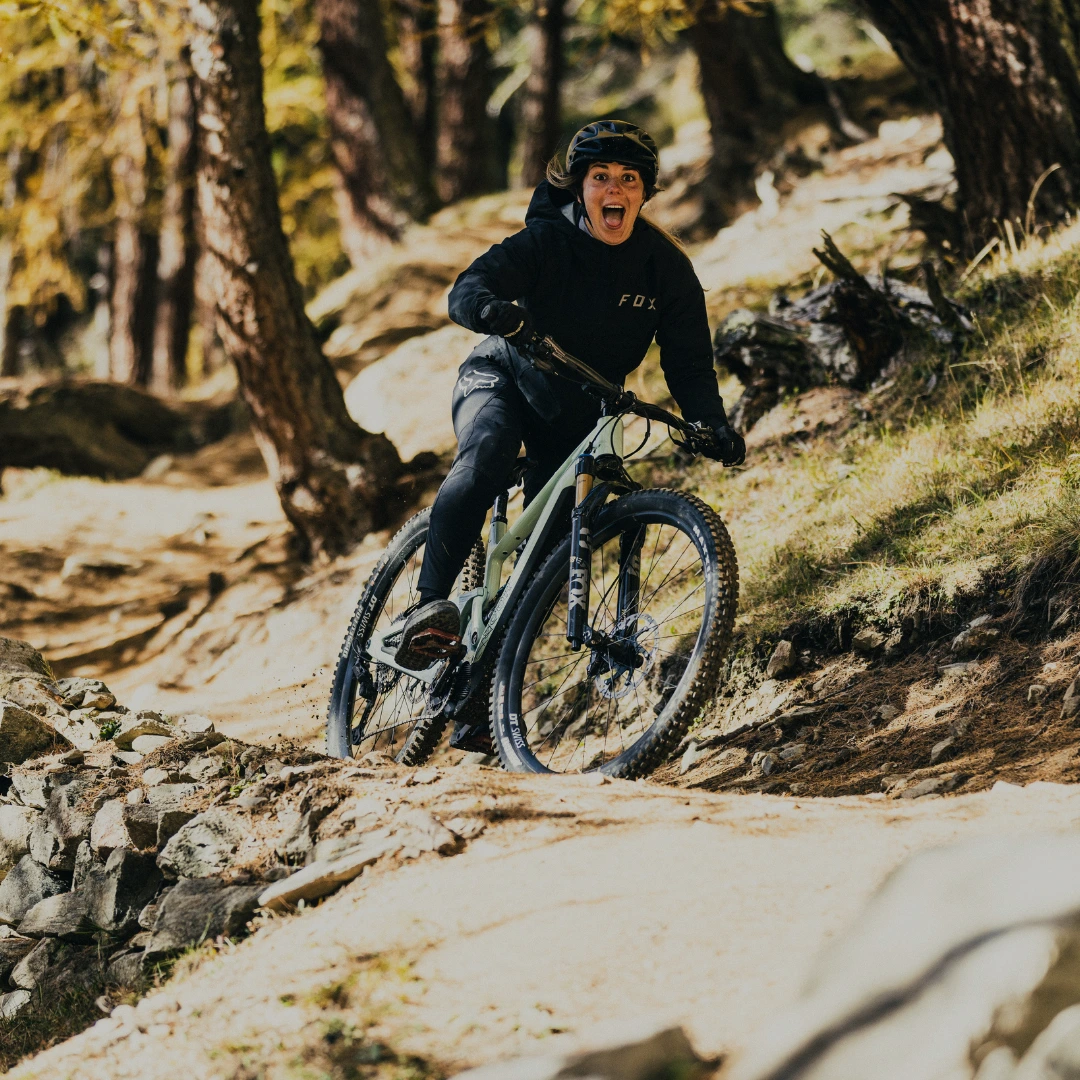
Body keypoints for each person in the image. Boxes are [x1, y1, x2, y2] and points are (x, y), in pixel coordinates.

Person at [396, 119, 746, 709]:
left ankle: (475, 707)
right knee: (486, 459)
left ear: (644, 192)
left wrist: (711, 422)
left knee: (552, 556)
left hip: (582, 409)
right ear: (580, 188)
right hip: (500, 376)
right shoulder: (544, 242)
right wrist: (494, 309)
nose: (615, 188)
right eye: (600, 177)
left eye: (628, 179)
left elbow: (688, 363)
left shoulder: (667, 268)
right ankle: (427, 607)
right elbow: (466, 289)